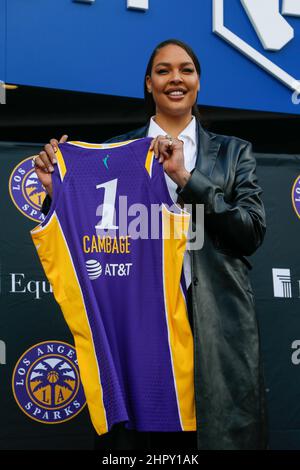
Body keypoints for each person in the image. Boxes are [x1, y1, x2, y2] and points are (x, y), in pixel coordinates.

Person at [33, 39, 268, 450]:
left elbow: (249, 233)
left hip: (214, 325)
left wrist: (185, 178)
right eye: (163, 70)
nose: (175, 78)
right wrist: (60, 192)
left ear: (198, 82)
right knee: (146, 445)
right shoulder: (112, 152)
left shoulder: (234, 153)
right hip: (138, 321)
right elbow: (92, 236)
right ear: (148, 83)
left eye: (185, 69)